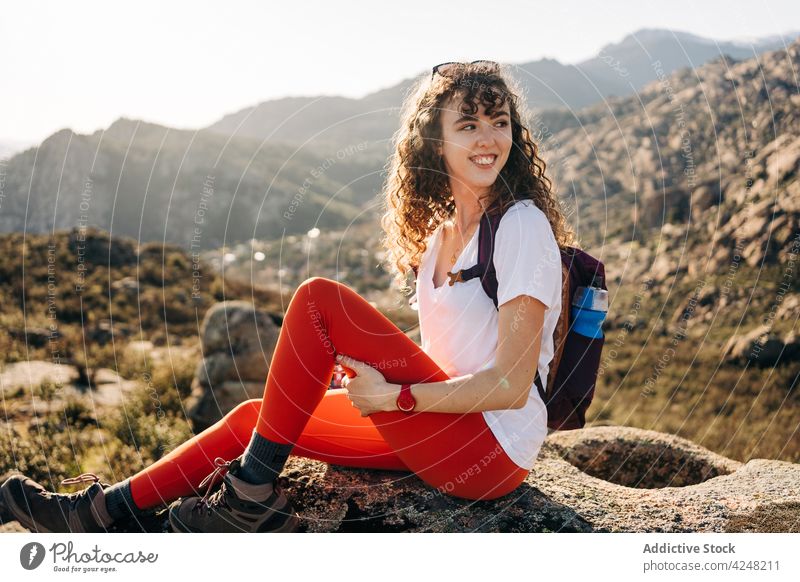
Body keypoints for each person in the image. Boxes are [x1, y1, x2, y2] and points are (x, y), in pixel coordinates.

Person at [0, 60, 576, 533]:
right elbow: (453, 352)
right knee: (259, 418)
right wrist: (345, 375)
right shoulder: (442, 237)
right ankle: (102, 514)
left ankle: (250, 496)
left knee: (318, 299)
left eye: (498, 123)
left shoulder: (520, 225)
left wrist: (397, 399)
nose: (487, 139)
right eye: (468, 125)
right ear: (436, 141)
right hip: (443, 430)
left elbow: (508, 384)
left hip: (490, 450)